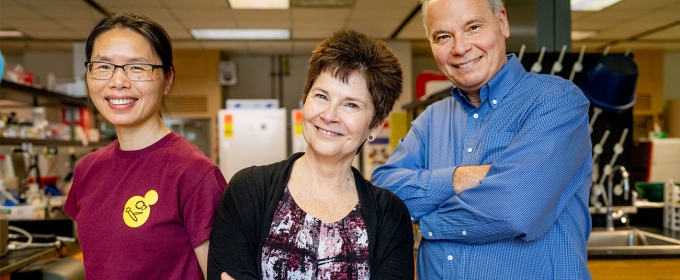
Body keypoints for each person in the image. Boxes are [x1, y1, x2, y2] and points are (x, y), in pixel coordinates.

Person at [371, 0, 593, 279]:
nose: (460, 48)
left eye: (473, 27)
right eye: (443, 36)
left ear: (502, 22)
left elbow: (515, 211)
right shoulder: (432, 119)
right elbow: (382, 197)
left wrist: (428, 221)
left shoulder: (556, 101)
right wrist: (457, 178)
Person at [208, 30, 414, 280]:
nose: (329, 115)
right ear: (305, 99)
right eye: (321, 96)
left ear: (376, 125)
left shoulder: (390, 216)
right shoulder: (248, 191)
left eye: (351, 104)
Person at [63, 13, 227, 279]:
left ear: (167, 79)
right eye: (103, 66)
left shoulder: (194, 174)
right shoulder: (86, 170)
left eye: (137, 67)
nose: (118, 81)